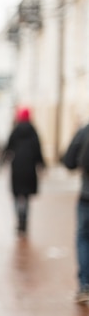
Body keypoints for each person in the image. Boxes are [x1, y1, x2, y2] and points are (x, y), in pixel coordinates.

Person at [0, 106, 45, 235]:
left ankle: (19, 218)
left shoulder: (15, 131)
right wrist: (42, 165)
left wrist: (1, 163)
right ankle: (24, 220)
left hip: (17, 168)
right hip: (30, 168)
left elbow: (7, 148)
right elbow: (38, 150)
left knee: (17, 194)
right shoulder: (33, 132)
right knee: (26, 196)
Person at [62, 121, 89, 303]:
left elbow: (68, 161)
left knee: (83, 238)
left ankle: (85, 286)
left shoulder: (85, 130)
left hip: (86, 196)